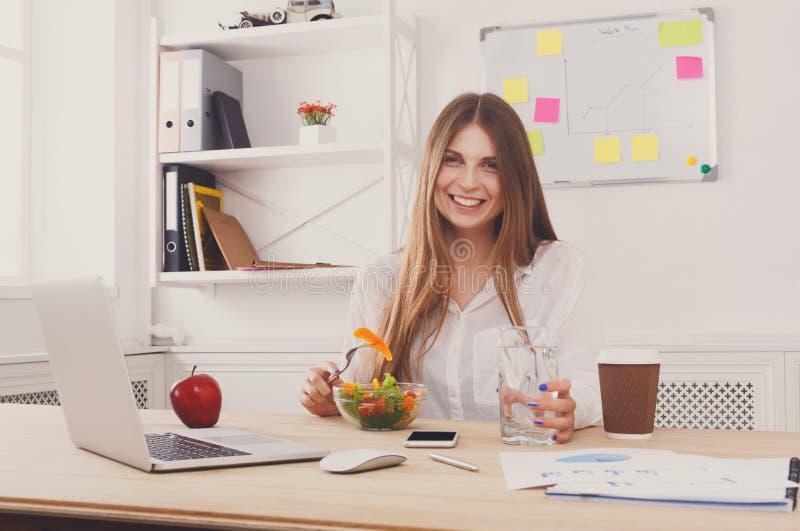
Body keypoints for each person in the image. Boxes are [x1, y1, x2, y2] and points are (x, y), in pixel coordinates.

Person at [299, 92, 603, 443]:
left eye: (491, 165)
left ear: (516, 178)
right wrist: (330, 396)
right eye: (453, 160)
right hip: (414, 474)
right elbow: (359, 388)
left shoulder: (561, 269)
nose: (469, 181)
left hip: (521, 466)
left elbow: (588, 386)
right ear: (431, 168)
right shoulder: (382, 278)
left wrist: (570, 407)